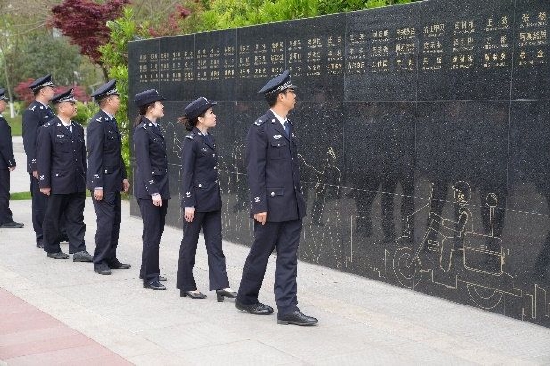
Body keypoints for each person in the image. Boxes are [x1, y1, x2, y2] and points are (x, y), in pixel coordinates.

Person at [235, 70, 318, 326]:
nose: (295, 96)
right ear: (281, 96)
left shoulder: (287, 125)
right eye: (291, 92)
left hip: (291, 205)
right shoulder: (261, 128)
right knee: (260, 253)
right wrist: (259, 204)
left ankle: (287, 308)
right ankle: (246, 298)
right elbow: (255, 168)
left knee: (288, 256)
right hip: (270, 206)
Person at [176, 97, 237, 301]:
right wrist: (188, 203)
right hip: (196, 202)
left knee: (215, 244)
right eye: (210, 113)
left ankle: (221, 285)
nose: (214, 115)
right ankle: (186, 285)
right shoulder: (191, 142)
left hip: (211, 200)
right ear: (200, 119)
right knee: (190, 244)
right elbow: (187, 175)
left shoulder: (208, 138)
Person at [36, 89, 92, 262]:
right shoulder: (49, 129)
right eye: (72, 104)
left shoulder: (76, 128)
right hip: (58, 181)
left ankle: (79, 249)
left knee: (76, 215)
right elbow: (43, 158)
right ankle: (52, 247)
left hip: (76, 180)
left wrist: (86, 176)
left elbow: (82, 156)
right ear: (61, 107)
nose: (75, 107)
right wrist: (44, 183)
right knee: (53, 216)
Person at [87, 80, 130, 275]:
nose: (119, 101)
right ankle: (100, 260)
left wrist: (123, 176)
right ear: (109, 100)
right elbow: (94, 155)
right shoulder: (97, 124)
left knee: (115, 221)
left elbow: (115, 153)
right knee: (105, 222)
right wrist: (97, 185)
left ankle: (111, 257)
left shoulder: (110, 121)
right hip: (102, 182)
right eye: (117, 98)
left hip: (113, 180)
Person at [133, 89, 170, 290]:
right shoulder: (142, 130)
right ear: (150, 108)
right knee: (152, 233)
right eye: (159, 103)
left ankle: (146, 269)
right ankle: (150, 277)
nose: (162, 106)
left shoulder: (154, 127)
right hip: (150, 191)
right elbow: (144, 163)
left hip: (160, 188)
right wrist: (153, 191)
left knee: (155, 232)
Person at [22, 74, 56, 247]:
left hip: (52, 162)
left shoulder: (48, 110)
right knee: (40, 202)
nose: (54, 91)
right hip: (40, 165)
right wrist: (35, 165)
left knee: (52, 200)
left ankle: (54, 232)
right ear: (42, 91)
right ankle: (41, 236)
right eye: (51, 88)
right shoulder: (32, 112)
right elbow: (30, 142)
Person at [0, 88, 23, 228]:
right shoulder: (1, 123)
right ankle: (5, 220)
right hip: (1, 164)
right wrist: (10, 161)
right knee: (3, 192)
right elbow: (4, 145)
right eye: (3, 102)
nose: (5, 104)